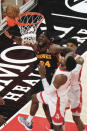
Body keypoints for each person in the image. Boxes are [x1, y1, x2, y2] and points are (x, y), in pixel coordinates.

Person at [18, 46, 76, 131]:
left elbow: (48, 91)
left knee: (58, 127)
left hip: (57, 101)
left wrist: (42, 75)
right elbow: (71, 50)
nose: (62, 57)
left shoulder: (61, 77)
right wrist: (61, 48)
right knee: (34, 98)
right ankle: (29, 122)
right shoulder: (66, 65)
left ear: (66, 64)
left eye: (64, 58)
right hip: (53, 94)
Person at [66, 39, 86, 131]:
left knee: (76, 118)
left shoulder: (79, 59)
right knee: (60, 115)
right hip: (64, 89)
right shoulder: (62, 57)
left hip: (75, 90)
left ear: (76, 47)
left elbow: (74, 72)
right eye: (67, 45)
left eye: (71, 45)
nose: (69, 47)